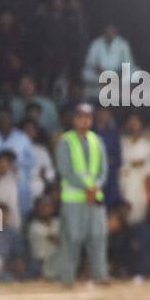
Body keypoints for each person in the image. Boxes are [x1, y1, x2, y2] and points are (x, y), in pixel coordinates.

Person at [54, 103, 108, 285]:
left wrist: (96, 187)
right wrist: (87, 188)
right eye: (80, 117)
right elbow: (64, 170)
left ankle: (100, 276)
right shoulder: (65, 141)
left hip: (95, 197)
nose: (84, 120)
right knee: (72, 238)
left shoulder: (97, 141)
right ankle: (67, 278)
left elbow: (103, 171)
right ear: (74, 119)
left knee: (98, 237)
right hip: (74, 198)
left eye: (87, 117)